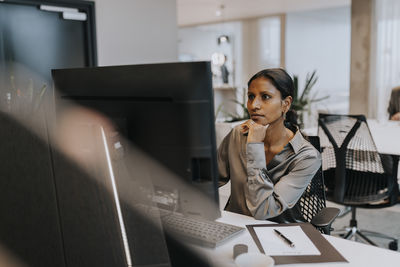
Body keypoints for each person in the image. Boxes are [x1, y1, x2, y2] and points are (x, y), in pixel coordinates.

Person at [217, 68, 321, 222]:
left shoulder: (307, 157)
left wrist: (254, 146)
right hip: (235, 226)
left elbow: (263, 210)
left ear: (285, 104)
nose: (254, 105)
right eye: (251, 97)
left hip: (277, 235)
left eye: (265, 97)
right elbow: (211, 179)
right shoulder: (238, 135)